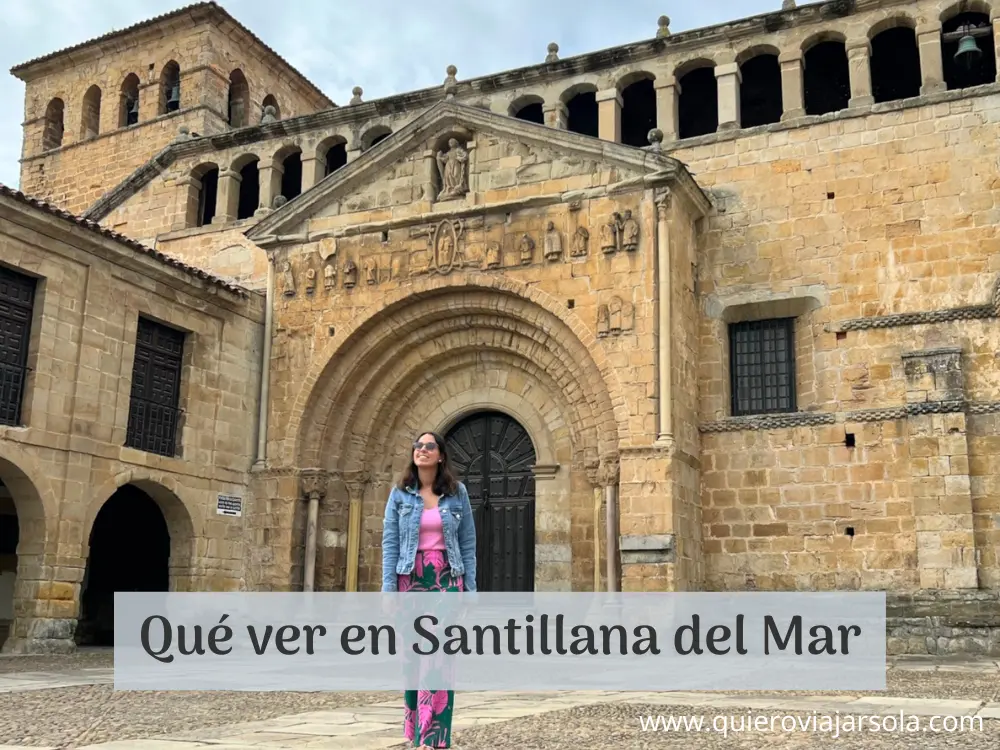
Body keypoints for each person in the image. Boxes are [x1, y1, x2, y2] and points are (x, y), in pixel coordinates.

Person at [382, 431, 477, 749]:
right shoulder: (399, 495)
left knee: (438, 658)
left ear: (441, 455)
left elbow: (467, 542)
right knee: (412, 659)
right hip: (410, 580)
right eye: (417, 446)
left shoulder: (456, 493)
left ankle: (434, 738)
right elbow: (391, 543)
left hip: (447, 581)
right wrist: (389, 589)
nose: (422, 450)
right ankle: (415, 731)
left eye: (429, 446)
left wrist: (470, 590)